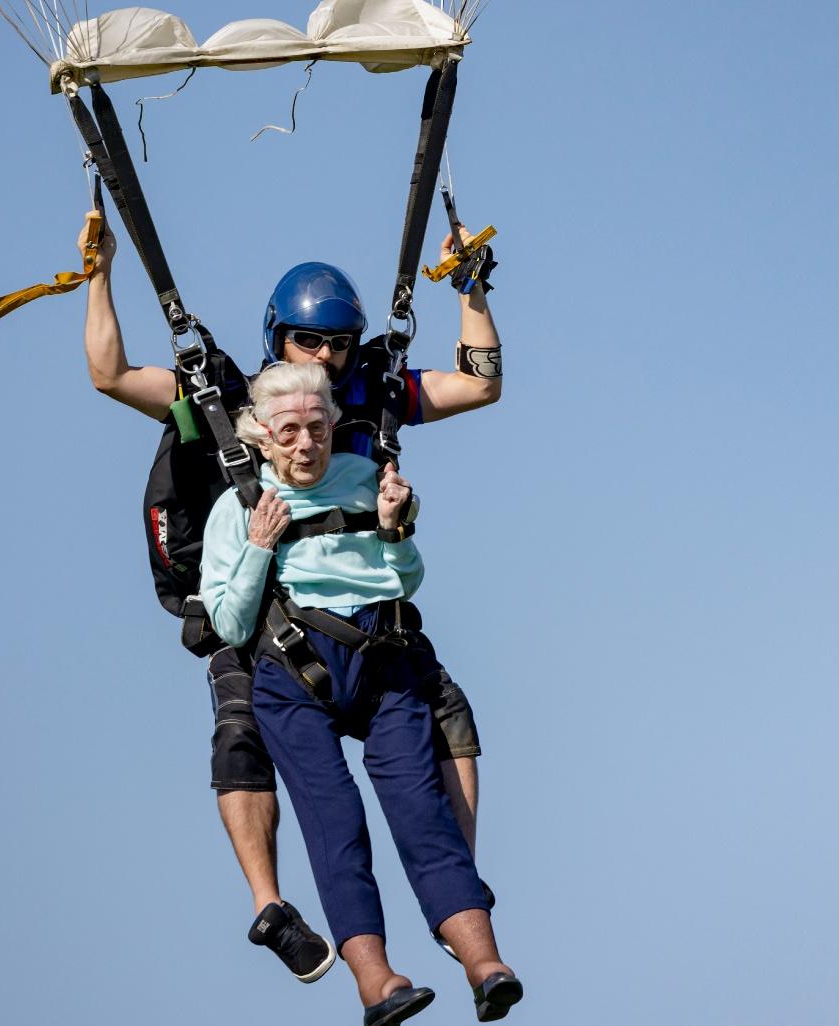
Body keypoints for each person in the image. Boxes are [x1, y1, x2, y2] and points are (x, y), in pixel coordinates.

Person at [81, 223, 503, 980]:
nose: (326, 359)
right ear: (281, 338)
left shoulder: (371, 396)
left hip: (361, 610)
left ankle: (454, 888)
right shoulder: (227, 399)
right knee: (241, 733)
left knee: (448, 712)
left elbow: (478, 383)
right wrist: (99, 277)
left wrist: (472, 292)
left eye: (339, 344)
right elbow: (111, 375)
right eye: (309, 342)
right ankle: (269, 906)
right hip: (255, 604)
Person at [200, 363, 521, 1025]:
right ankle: (377, 983)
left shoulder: (367, 481)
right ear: (261, 436)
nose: (305, 443)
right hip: (293, 680)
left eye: (317, 428)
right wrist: (260, 546)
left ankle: (484, 964)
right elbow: (229, 626)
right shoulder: (237, 508)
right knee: (336, 825)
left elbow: (404, 579)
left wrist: (395, 528)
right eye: (289, 431)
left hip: (383, 666)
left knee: (422, 812)